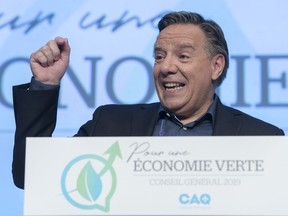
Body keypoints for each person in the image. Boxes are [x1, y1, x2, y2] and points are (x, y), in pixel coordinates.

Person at [12, 11, 284, 189]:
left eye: (183, 56)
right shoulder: (109, 123)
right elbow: (32, 177)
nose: (166, 67)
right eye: (159, 56)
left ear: (216, 66)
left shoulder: (263, 139)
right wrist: (44, 86)